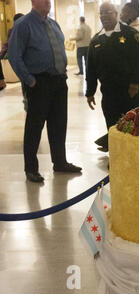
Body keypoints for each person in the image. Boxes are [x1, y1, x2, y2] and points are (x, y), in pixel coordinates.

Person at [8, 0, 82, 183]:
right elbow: (14, 55)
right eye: (43, 0)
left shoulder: (53, 23)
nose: (48, 3)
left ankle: (60, 162)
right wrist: (30, 80)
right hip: (39, 82)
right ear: (34, 2)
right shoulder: (24, 25)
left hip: (58, 81)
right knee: (35, 127)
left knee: (58, 124)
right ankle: (31, 169)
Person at [86, 2, 139, 152]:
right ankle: (116, 157)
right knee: (112, 127)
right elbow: (91, 69)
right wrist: (90, 92)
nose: (104, 16)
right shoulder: (96, 41)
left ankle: (134, 156)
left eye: (108, 12)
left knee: (133, 126)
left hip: (129, 92)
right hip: (109, 93)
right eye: (101, 13)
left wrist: (136, 83)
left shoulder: (131, 34)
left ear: (116, 13)